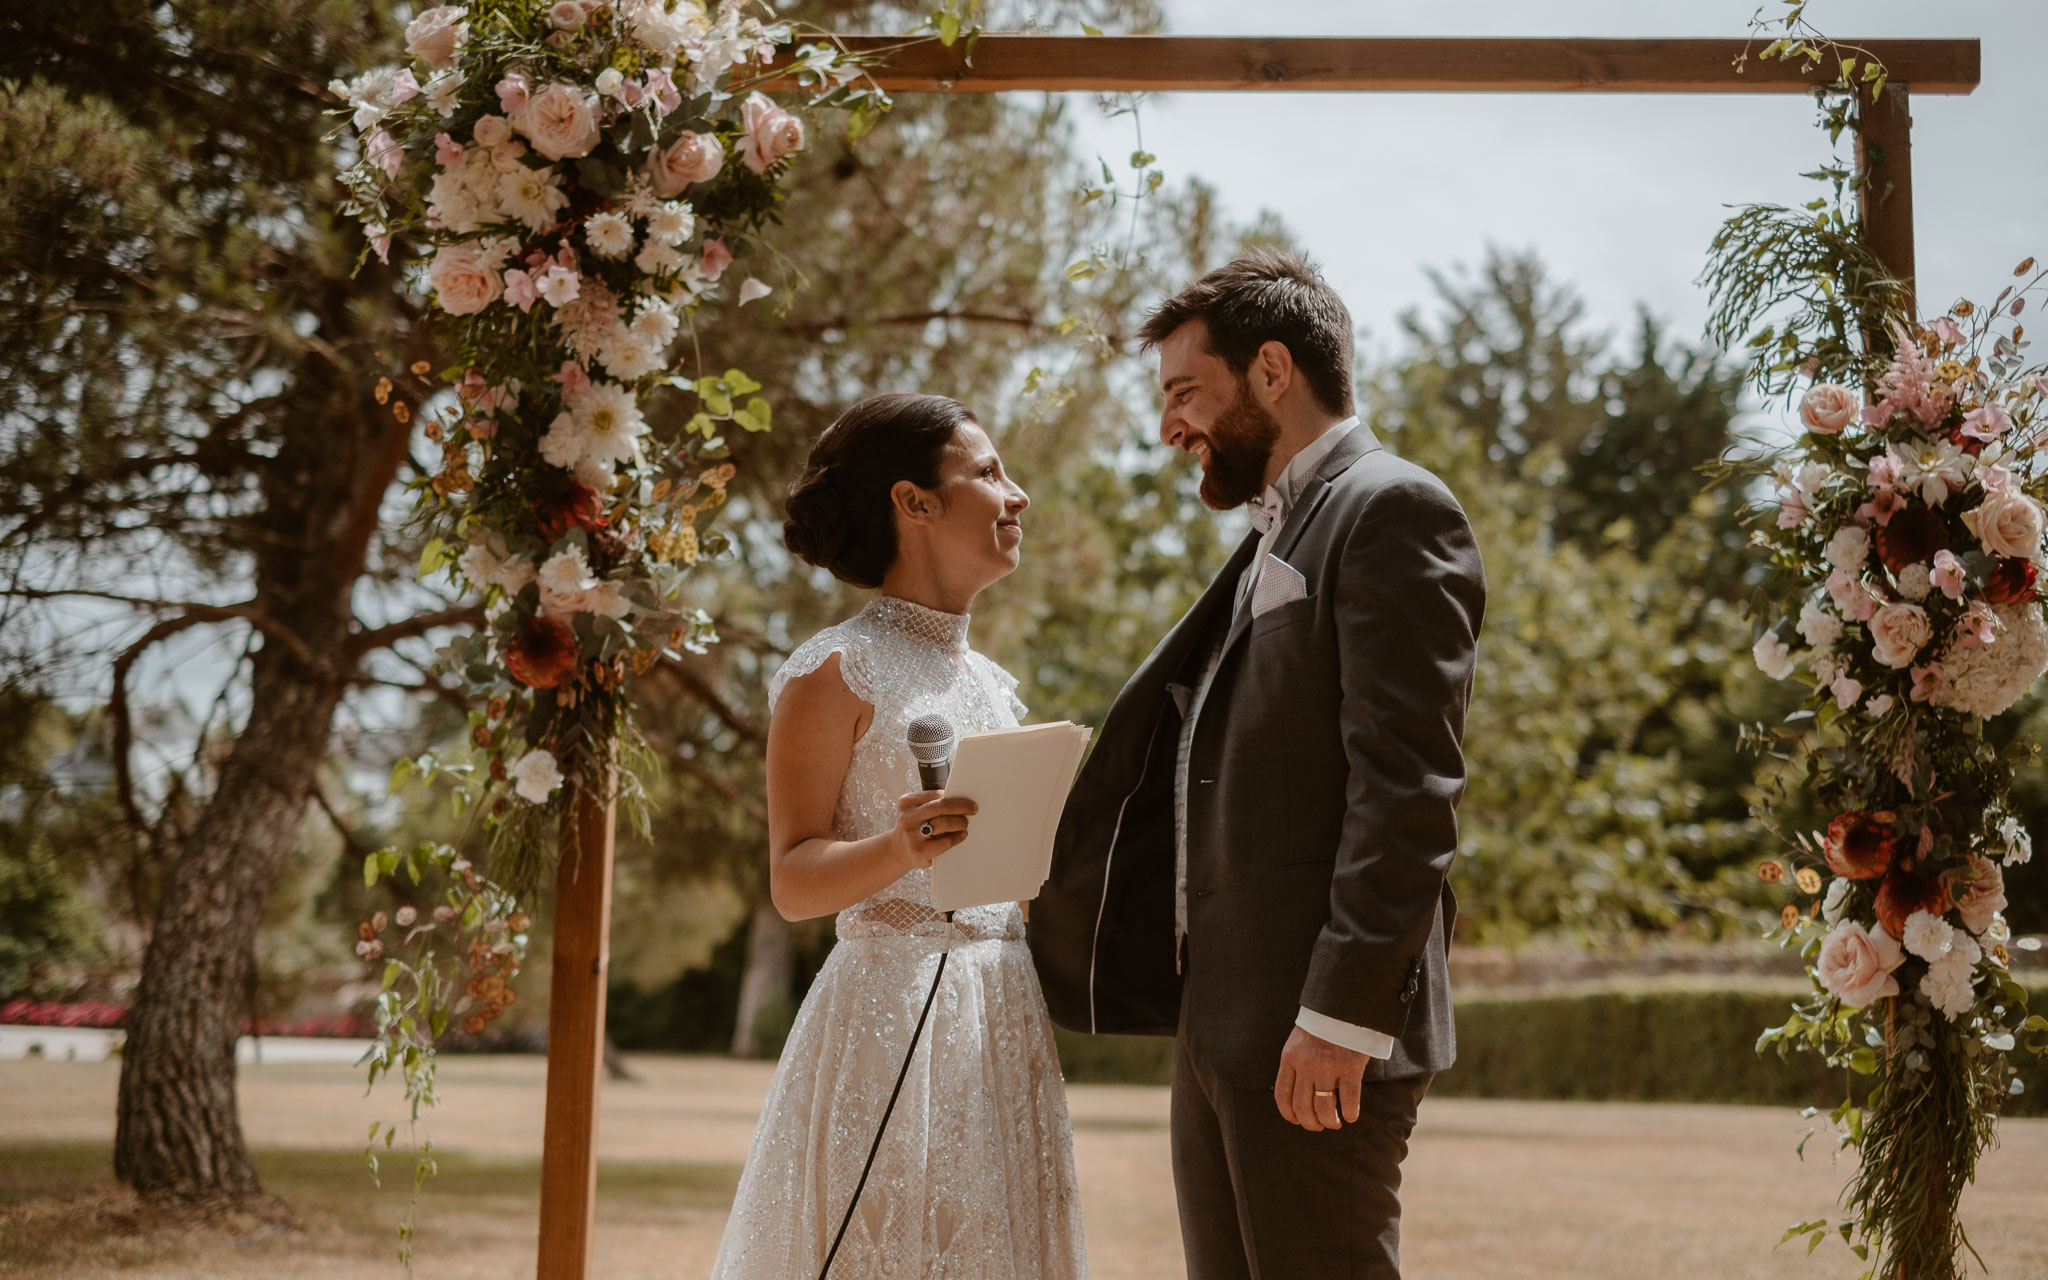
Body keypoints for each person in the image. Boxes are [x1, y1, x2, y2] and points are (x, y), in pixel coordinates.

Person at [1028, 248, 1486, 1279]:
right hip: (1222, 1021)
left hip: (1313, 1029)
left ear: (1271, 370)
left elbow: (1406, 788)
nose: (1167, 428)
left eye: (1184, 392)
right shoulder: (1275, 533)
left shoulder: (1390, 509)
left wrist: (1337, 1014)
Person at [710, 393, 1087, 1280]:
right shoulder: (833, 669)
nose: (1017, 494)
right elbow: (794, 881)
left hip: (1003, 1012)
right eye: (988, 474)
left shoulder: (996, 685)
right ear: (913, 504)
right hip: (886, 1018)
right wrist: (901, 850)